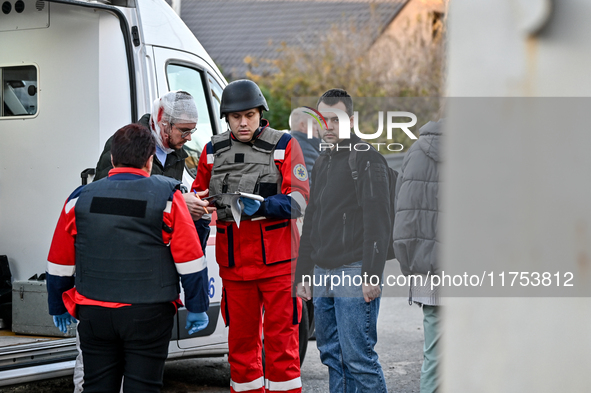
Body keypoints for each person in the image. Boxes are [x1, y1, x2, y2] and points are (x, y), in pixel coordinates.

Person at [46, 124, 210, 393]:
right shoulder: (169, 197)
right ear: (149, 161)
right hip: (149, 314)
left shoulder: (78, 199)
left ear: (112, 158)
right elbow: (190, 260)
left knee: (97, 386)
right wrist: (197, 305)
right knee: (143, 386)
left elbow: (60, 261)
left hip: (94, 312)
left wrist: (57, 303)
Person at [192, 79, 310, 393]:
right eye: (236, 117)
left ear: (260, 113)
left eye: (250, 115)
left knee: (282, 346)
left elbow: (300, 199)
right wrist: (195, 207)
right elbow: (197, 197)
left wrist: (262, 205)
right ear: (226, 119)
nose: (243, 123)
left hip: (278, 266)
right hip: (235, 268)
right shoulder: (210, 152)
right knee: (240, 349)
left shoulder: (285, 145)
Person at [295, 88, 390, 393]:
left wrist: (372, 274)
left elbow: (379, 223)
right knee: (332, 357)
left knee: (358, 360)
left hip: (353, 271)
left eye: (336, 119)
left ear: (351, 119)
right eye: (324, 119)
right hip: (323, 274)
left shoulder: (367, 160)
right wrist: (304, 274)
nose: (329, 126)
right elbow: (312, 221)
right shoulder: (322, 161)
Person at [95, 90, 212, 225]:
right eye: (184, 130)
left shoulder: (176, 152)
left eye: (191, 131)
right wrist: (178, 201)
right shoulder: (126, 142)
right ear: (164, 122)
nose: (189, 138)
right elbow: (110, 197)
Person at [392, 119, 443, 393]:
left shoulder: (416, 150)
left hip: (427, 270)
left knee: (434, 358)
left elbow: (402, 213)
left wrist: (410, 264)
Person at [289, 107, 321, 184]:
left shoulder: (297, 144)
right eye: (314, 123)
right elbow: (308, 187)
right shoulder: (303, 150)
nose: (318, 128)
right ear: (302, 125)